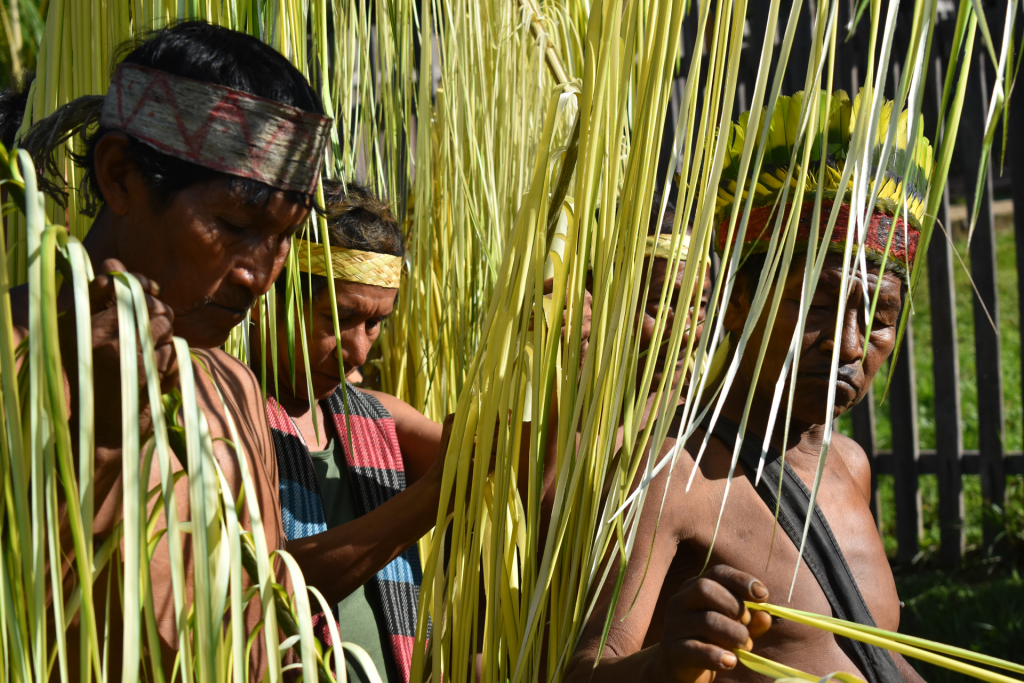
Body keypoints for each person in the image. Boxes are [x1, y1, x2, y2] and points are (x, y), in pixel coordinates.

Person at [566, 90, 928, 683]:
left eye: (879, 318)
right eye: (815, 308)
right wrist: (666, 662)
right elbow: (586, 669)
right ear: (737, 303)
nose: (850, 345)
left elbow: (874, 657)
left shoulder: (849, 465)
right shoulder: (673, 475)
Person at [13, 21, 332, 679]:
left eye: (284, 238)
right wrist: (103, 441)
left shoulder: (233, 387)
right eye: (235, 225)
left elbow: (261, 625)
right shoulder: (13, 354)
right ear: (120, 176)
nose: (259, 274)